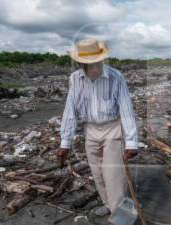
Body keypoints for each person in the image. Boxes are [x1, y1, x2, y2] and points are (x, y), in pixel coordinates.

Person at [56, 38, 138, 217]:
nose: (94, 69)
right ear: (80, 63)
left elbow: (126, 109)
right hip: (90, 129)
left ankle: (121, 215)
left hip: (113, 128)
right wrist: (65, 142)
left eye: (96, 63)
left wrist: (131, 142)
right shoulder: (75, 79)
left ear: (102, 60)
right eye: (88, 65)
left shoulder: (116, 77)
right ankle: (108, 204)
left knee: (113, 174)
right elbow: (70, 109)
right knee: (98, 172)